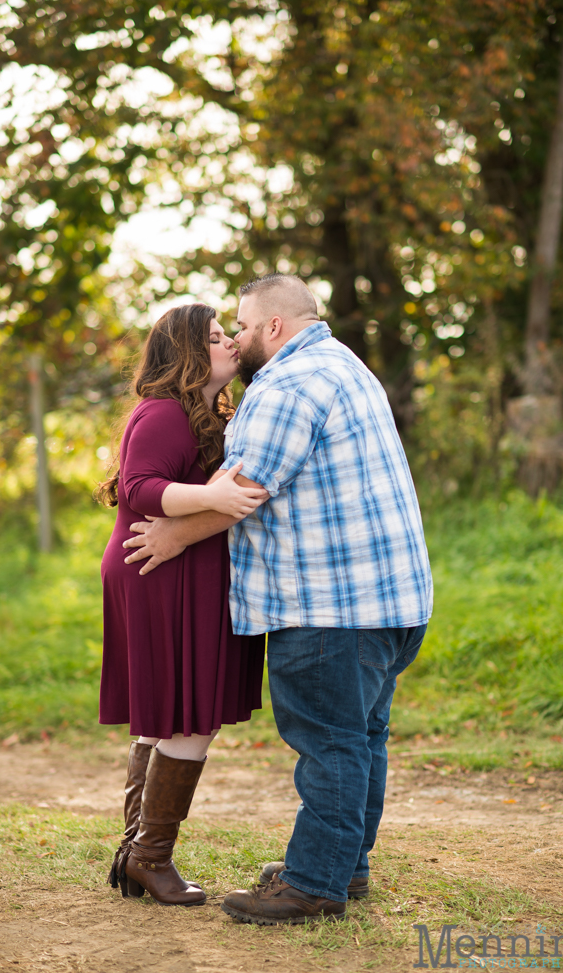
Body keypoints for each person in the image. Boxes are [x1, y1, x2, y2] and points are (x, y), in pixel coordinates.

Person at [122, 274, 433, 924]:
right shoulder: (342, 364)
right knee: (359, 738)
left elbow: (246, 485)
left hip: (329, 605)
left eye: (238, 324)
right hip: (391, 601)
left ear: (272, 327)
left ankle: (314, 882)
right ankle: (342, 864)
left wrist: (174, 536)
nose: (234, 338)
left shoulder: (287, 384)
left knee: (330, 743)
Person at [97, 302, 267, 907]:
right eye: (217, 338)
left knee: (177, 714)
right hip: (158, 569)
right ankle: (149, 857)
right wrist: (212, 494)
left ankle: (135, 854)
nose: (230, 344)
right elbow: (139, 486)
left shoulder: (195, 414)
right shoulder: (165, 412)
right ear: (189, 354)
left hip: (175, 569)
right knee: (189, 715)